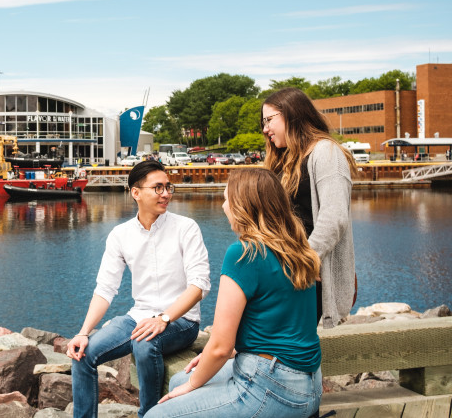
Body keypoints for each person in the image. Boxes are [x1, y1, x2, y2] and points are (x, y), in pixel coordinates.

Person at [146, 169, 323, 418]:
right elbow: (275, 325)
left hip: (271, 386)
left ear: (244, 206)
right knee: (178, 382)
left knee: (158, 414)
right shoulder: (298, 249)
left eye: (227, 199)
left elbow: (220, 346)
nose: (223, 206)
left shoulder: (243, 254)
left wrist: (194, 383)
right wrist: (208, 361)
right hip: (310, 385)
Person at [66, 160, 211, 418]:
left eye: (168, 187)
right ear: (136, 192)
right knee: (83, 354)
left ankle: (149, 414)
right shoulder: (120, 235)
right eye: (157, 188)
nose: (165, 194)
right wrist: (83, 332)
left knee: (145, 343)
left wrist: (164, 318)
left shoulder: (186, 228)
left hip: (182, 320)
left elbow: (199, 286)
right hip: (139, 315)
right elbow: (105, 289)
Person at [261, 87, 357, 328]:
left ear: (292, 115)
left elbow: (334, 217)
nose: (265, 129)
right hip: (285, 272)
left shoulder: (326, 152)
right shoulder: (285, 158)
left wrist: (306, 259)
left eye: (269, 120)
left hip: (307, 275)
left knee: (289, 350)